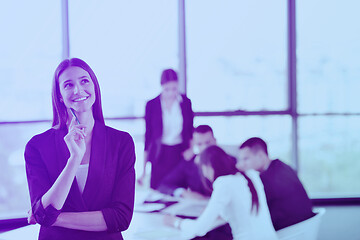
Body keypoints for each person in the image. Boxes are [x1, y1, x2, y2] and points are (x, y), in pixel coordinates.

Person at [24, 58, 136, 240]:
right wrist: (74, 159)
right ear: (59, 95)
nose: (78, 90)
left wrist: (53, 218)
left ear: (94, 87)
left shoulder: (121, 142)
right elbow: (43, 212)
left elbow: (121, 217)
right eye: (68, 85)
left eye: (84, 81)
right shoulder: (37, 146)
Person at [165, 145, 278, 240]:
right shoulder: (251, 175)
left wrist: (177, 222)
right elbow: (242, 209)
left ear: (208, 167)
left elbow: (199, 229)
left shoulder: (223, 183)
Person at [237, 137, 315, 231]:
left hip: (288, 231)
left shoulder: (267, 178)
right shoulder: (282, 167)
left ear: (261, 156)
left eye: (246, 159)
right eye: (240, 160)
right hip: (304, 228)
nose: (242, 165)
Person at [138, 68, 194, 189]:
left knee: (178, 190)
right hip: (160, 155)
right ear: (161, 86)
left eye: (174, 89)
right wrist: (143, 171)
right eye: (167, 89)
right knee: (158, 190)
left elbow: (190, 130)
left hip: (180, 153)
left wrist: (192, 149)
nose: (171, 93)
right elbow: (148, 138)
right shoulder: (151, 105)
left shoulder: (186, 103)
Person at [157, 125, 218, 198]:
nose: (204, 147)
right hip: (198, 204)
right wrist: (183, 193)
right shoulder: (189, 163)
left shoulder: (230, 161)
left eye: (208, 143)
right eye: (199, 144)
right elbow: (164, 185)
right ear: (195, 144)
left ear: (215, 141)